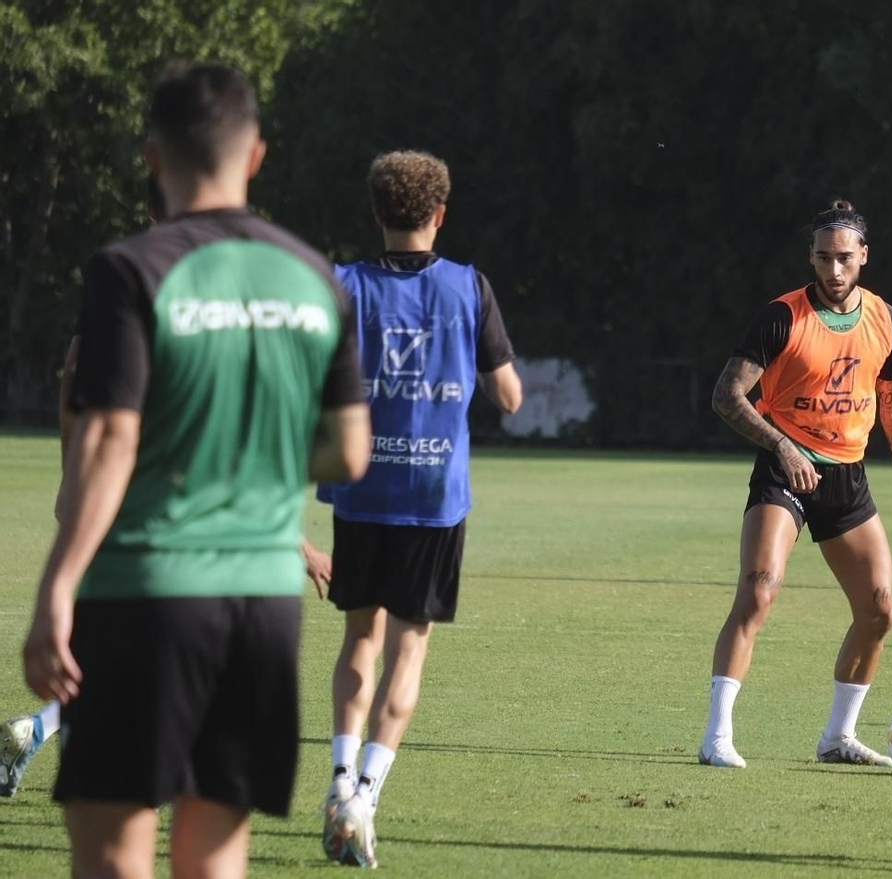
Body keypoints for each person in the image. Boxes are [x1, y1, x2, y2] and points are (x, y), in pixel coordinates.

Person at [20, 61, 370, 878]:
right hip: (261, 609)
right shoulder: (315, 275)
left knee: (114, 855)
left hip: (146, 593)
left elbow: (109, 439)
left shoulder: (131, 268)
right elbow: (350, 450)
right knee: (215, 860)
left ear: (152, 156)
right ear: (255, 156)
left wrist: (56, 589)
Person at [2, 174, 336, 799]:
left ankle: (41, 730)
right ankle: (57, 738)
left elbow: (74, 380)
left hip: (105, 501)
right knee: (169, 678)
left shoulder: (118, 279)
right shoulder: (229, 295)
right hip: (187, 526)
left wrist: (72, 467)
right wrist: (304, 547)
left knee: (109, 654)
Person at [317, 150, 522, 867]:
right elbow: (509, 396)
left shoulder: (342, 284)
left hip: (360, 489)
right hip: (435, 498)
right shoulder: (469, 287)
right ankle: (366, 795)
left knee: (358, 642)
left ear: (378, 212)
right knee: (409, 648)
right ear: (440, 213)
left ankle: (338, 778)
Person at [698, 199, 892, 770]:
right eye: (824, 258)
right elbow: (726, 395)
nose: (833, 271)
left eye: (845, 259)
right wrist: (781, 444)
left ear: (864, 258)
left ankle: (837, 737)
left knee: (879, 612)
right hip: (785, 469)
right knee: (758, 591)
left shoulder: (887, 320)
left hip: (846, 477)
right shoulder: (781, 316)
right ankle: (716, 738)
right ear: (811, 256)